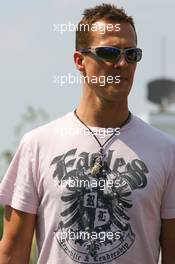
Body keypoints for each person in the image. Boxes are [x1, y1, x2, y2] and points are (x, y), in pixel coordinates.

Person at [0, 3, 175, 264]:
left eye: (132, 54)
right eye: (109, 52)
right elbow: (12, 251)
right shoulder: (36, 145)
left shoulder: (166, 151)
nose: (121, 63)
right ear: (79, 61)